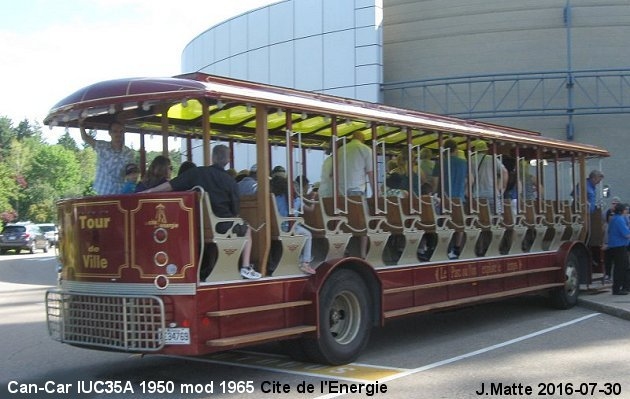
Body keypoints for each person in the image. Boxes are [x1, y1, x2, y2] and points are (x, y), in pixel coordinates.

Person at [140, 145, 261, 280]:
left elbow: (171, 185)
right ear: (227, 160)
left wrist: (149, 191)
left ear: (213, 157)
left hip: (197, 226)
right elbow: (235, 211)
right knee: (247, 228)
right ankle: (245, 267)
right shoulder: (230, 181)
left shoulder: (197, 173)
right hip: (222, 227)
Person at [271, 175, 316, 274]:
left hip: (276, 228)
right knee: (308, 234)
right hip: (288, 228)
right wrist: (313, 198)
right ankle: (305, 262)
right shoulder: (296, 200)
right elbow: (310, 209)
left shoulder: (276, 198)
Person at [432, 139, 468, 259]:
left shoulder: (440, 162)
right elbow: (471, 179)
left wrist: (434, 193)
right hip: (459, 198)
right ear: (456, 150)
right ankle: (457, 248)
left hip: (444, 199)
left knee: (444, 223)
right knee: (459, 224)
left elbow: (435, 183)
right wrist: (464, 190)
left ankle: (444, 248)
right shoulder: (463, 163)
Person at [80, 121, 136, 195]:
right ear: (109, 133)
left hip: (119, 193)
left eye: (121, 131)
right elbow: (85, 138)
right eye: (115, 131)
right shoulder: (102, 146)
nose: (118, 134)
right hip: (101, 192)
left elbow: (132, 173)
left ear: (123, 133)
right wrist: (81, 125)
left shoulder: (129, 153)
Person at [471, 139, 508, 214]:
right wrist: (501, 187)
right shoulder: (492, 159)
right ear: (486, 150)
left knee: (480, 218)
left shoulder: (471, 160)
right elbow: (504, 172)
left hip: (476, 194)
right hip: (492, 193)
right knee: (496, 217)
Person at [337, 130, 374, 196]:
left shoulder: (340, 149)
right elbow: (370, 172)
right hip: (356, 188)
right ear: (363, 140)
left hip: (340, 189)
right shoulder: (366, 149)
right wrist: (375, 191)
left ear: (352, 138)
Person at [606, 202, 630, 295]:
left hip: (614, 246)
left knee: (620, 267)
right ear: (622, 211)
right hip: (619, 246)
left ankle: (625, 287)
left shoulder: (614, 218)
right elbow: (626, 234)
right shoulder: (620, 220)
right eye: (625, 209)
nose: (626, 211)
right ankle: (617, 288)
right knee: (621, 268)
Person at [602, 196, 622, 284]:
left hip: (617, 242)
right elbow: (603, 223)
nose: (614, 205)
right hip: (607, 240)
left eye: (616, 204)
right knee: (608, 259)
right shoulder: (607, 212)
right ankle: (608, 275)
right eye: (613, 203)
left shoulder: (620, 216)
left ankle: (616, 277)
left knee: (617, 261)